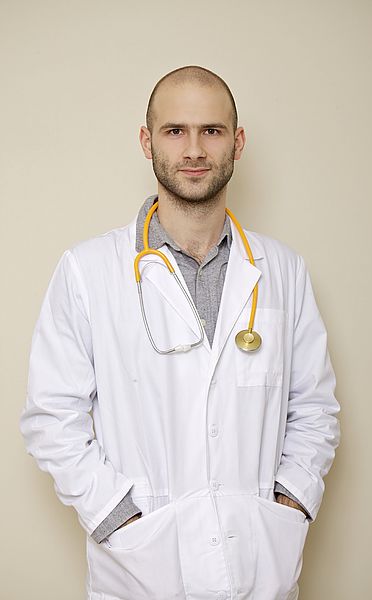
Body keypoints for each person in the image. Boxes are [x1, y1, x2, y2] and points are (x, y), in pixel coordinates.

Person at [20, 65, 340, 600]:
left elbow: (314, 409)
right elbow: (51, 418)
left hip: (260, 565)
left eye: (211, 131)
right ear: (148, 141)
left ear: (237, 143)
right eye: (175, 131)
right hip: (141, 573)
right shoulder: (88, 269)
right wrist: (119, 518)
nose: (194, 149)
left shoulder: (283, 271)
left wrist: (291, 501)